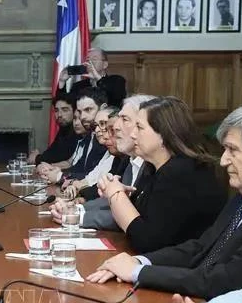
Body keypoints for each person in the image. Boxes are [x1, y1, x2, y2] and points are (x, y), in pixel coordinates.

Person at [88, 101, 242, 300]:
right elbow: (200, 248)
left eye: (232, 150)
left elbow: (227, 279)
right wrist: (139, 262)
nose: (223, 160)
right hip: (197, 295)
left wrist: (138, 272)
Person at [94, 96, 226, 252]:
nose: (133, 134)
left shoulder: (181, 172)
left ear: (164, 134)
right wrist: (120, 192)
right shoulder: (154, 167)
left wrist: (116, 195)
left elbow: (145, 241)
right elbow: (141, 218)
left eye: (140, 128)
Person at [51, 95, 153, 230]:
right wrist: (76, 209)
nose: (116, 127)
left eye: (125, 120)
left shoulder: (157, 168)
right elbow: (113, 204)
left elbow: (131, 215)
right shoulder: (130, 161)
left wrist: (77, 214)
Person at [39, 88, 109, 183]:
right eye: (80, 112)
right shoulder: (90, 135)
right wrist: (55, 172)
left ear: (103, 108)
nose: (82, 117)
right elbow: (79, 168)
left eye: (88, 110)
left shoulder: (106, 137)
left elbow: (94, 176)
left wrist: (60, 176)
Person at [55, 48, 127, 108]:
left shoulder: (116, 81)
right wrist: (62, 81)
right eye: (88, 60)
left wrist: (98, 78)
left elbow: (117, 97)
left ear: (105, 65)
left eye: (94, 59)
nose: (90, 62)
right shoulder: (78, 86)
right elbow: (64, 105)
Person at [28, 96, 79, 165]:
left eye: (65, 110)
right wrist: (38, 157)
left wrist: (37, 158)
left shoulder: (77, 130)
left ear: (75, 111)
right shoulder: (64, 128)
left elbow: (61, 156)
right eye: (56, 110)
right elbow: (52, 152)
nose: (59, 115)